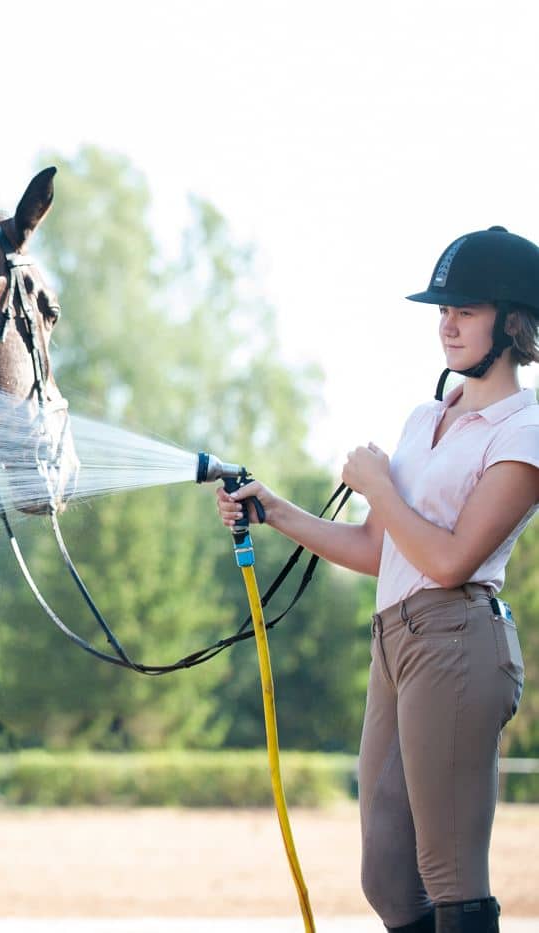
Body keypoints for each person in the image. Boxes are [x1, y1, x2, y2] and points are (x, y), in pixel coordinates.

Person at [217, 226, 536, 933]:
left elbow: (450, 559)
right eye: (442, 310)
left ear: (513, 323)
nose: (447, 323)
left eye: (466, 309)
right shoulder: (427, 417)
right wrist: (273, 509)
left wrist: (376, 485)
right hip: (396, 639)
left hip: (457, 639)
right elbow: (377, 549)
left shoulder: (524, 430)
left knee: (452, 876)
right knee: (387, 875)